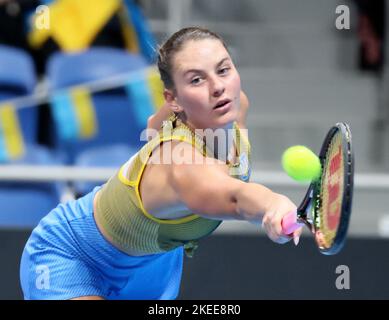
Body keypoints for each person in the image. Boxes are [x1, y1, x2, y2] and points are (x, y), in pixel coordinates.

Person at [20, 26, 302, 300]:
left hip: (152, 267)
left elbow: (153, 125)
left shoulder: (233, 104)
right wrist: (272, 204)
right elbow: (236, 198)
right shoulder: (182, 166)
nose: (217, 87)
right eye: (196, 80)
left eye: (223, 69)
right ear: (174, 98)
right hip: (74, 254)